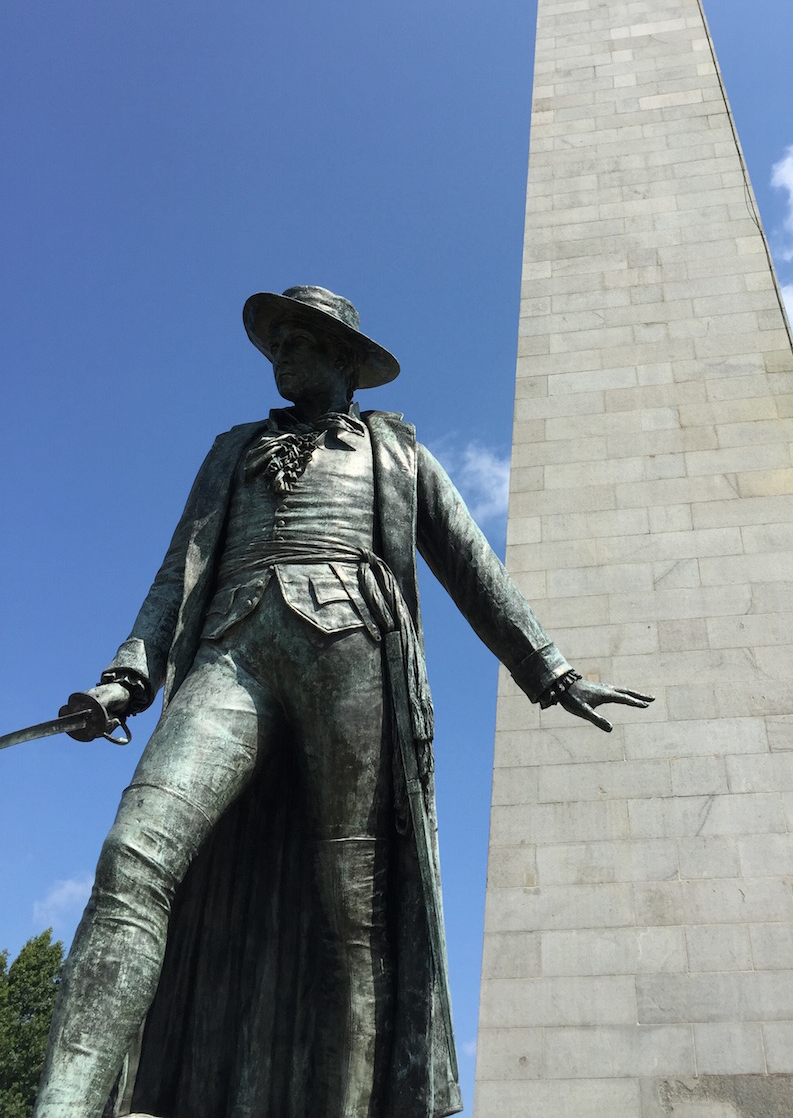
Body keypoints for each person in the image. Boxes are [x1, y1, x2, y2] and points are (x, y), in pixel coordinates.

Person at [34, 286, 651, 1118]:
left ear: (346, 361)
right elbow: (174, 573)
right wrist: (127, 678)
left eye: (300, 340)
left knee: (351, 912)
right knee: (131, 857)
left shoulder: (396, 453)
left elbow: (472, 567)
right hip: (232, 649)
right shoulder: (230, 452)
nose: (282, 354)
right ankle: (63, 1105)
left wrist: (553, 671)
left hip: (353, 649)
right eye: (278, 340)